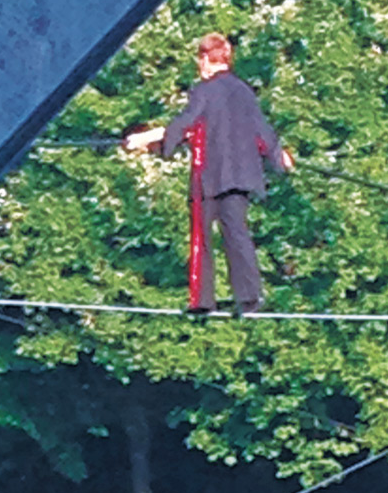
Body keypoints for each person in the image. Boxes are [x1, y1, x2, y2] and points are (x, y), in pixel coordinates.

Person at [125, 33, 294, 314]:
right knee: (238, 234)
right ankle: (250, 298)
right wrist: (279, 158)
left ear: (204, 60)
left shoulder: (203, 91)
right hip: (240, 176)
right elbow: (262, 132)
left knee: (200, 236)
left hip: (209, 177)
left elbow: (186, 124)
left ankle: (202, 300)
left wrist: (145, 141)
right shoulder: (244, 91)